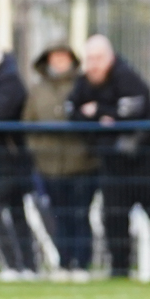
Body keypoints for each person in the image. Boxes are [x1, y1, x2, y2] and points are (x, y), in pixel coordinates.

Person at [67, 35, 150, 278]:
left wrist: (97, 111)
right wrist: (107, 116)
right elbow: (71, 112)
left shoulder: (127, 77)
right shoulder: (84, 82)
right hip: (116, 162)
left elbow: (133, 114)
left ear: (110, 57)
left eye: (98, 58)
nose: (93, 64)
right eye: (89, 59)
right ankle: (119, 271)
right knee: (113, 216)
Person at [24, 45, 98, 280]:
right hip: (49, 165)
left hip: (82, 163)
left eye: (63, 57)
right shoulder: (38, 90)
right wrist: (39, 150)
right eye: (55, 57)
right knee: (59, 216)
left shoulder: (83, 85)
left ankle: (82, 264)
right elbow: (28, 124)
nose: (59, 61)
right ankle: (64, 263)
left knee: (80, 214)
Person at [0, 49, 37, 280]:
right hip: (2, 161)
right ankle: (25, 266)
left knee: (8, 210)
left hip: (10, 161)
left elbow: (0, 114)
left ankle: (18, 265)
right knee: (15, 211)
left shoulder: (10, 80)